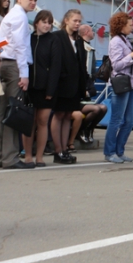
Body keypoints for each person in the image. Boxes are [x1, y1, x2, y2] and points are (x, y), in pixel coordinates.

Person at [0, 0, 38, 169]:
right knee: (14, 111)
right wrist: (24, 74)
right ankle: (10, 158)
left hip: (6, 62)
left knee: (3, 112)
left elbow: (2, 41)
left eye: (35, 0)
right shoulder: (19, 16)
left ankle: (0, 157)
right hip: (14, 65)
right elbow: (20, 46)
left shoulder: (10, 15)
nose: (33, 2)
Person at [104, 12, 133, 163]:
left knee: (131, 119)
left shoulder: (125, 40)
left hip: (131, 83)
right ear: (121, 26)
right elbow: (117, 65)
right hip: (121, 83)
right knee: (117, 119)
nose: (132, 27)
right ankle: (110, 152)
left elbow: (132, 63)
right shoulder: (116, 41)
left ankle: (119, 151)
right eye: (130, 25)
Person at [48, 10, 87, 164]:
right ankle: (58, 150)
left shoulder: (79, 40)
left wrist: (83, 86)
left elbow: (81, 64)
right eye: (75, 21)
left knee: (67, 116)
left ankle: (64, 149)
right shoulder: (57, 37)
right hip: (61, 84)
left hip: (74, 85)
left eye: (79, 21)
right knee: (58, 115)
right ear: (66, 20)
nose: (77, 24)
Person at [25, 10, 56, 167]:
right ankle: (28, 155)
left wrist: (51, 90)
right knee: (29, 122)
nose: (47, 25)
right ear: (36, 23)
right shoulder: (28, 39)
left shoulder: (53, 40)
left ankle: (40, 156)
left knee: (42, 121)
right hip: (28, 86)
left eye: (49, 22)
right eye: (44, 22)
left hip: (45, 88)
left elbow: (55, 67)